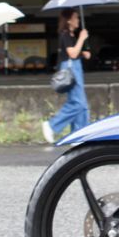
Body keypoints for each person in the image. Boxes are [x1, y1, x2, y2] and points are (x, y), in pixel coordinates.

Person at [42, 9, 91, 143]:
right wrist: (82, 38)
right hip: (72, 69)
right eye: (76, 18)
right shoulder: (66, 34)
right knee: (78, 103)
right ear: (69, 20)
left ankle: (78, 135)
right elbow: (72, 54)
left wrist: (83, 53)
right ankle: (52, 125)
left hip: (74, 68)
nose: (78, 20)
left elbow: (73, 53)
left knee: (81, 104)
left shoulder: (70, 35)